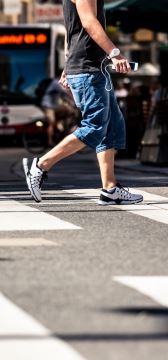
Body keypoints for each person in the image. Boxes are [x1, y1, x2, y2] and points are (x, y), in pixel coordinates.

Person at [22, 0, 143, 206]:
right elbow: (88, 21)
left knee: (113, 126)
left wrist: (68, 66)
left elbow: (72, 31)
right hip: (88, 69)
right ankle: (40, 166)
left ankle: (110, 188)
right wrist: (115, 53)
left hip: (92, 68)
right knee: (94, 128)